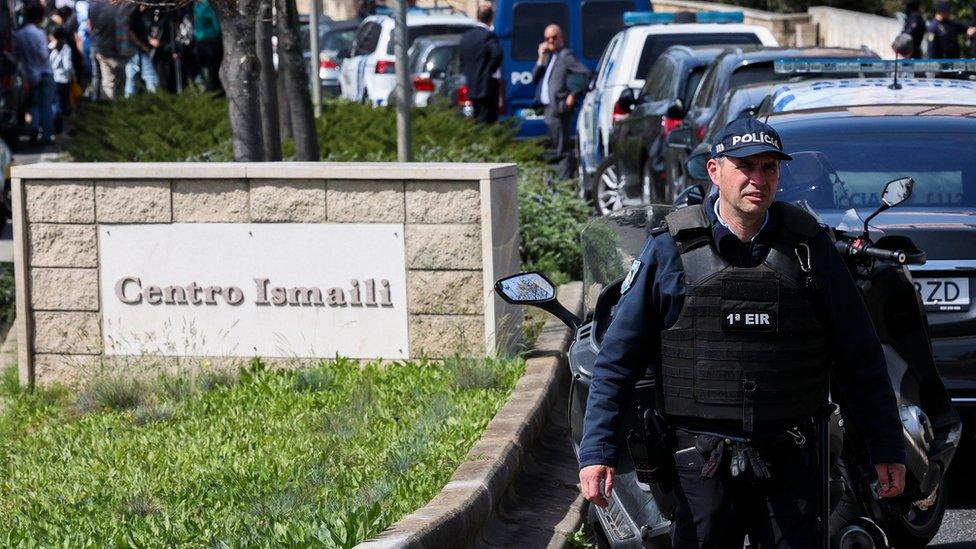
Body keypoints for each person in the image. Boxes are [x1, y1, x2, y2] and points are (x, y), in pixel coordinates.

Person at [577, 118, 907, 548]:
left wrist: (886, 446)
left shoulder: (809, 249)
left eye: (769, 167)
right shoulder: (670, 250)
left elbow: (859, 357)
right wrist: (597, 452)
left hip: (791, 454)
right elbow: (618, 359)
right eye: (745, 166)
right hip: (700, 460)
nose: (758, 179)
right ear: (715, 172)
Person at [532, 23, 590, 180]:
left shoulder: (565, 56)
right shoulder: (550, 57)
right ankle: (562, 182)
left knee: (563, 150)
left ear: (561, 38)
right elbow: (534, 78)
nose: (550, 41)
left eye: (554, 37)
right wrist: (540, 57)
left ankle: (565, 185)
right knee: (557, 148)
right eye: (547, 38)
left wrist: (573, 94)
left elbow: (585, 73)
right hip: (547, 108)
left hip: (558, 108)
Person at [14, 3, 56, 144]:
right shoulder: (39, 33)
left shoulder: (19, 34)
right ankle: (46, 136)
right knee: (46, 106)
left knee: (34, 105)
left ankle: (34, 128)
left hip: (29, 74)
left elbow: (17, 55)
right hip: (44, 72)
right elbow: (43, 54)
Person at [458, 3, 502, 124]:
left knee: (476, 120)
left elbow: (461, 60)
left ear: (477, 17)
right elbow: (497, 54)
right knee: (487, 122)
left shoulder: (466, 36)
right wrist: (489, 71)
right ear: (491, 19)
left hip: (471, 87)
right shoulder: (488, 35)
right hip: (487, 88)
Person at [88, 0, 133, 100]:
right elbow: (123, 34)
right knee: (120, 83)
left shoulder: (101, 10)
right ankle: (118, 107)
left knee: (108, 83)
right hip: (118, 53)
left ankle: (107, 107)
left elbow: (93, 28)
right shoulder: (122, 12)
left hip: (103, 50)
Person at [124, 5, 157, 97]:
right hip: (136, 50)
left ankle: (129, 103)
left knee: (132, 79)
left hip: (134, 50)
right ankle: (155, 102)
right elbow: (130, 32)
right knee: (150, 78)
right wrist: (142, 45)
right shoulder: (133, 13)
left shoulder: (137, 13)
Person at [49, 25, 74, 133]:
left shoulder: (49, 47)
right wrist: (73, 75)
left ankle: (52, 127)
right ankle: (59, 129)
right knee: (62, 106)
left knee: (54, 104)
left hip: (52, 79)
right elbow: (68, 66)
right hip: (63, 80)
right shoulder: (66, 48)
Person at [193, 0, 221, 93]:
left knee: (206, 71)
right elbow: (216, 24)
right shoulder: (207, 4)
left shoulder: (196, 4)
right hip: (211, 40)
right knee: (214, 71)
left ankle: (209, 91)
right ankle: (214, 92)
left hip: (199, 40)